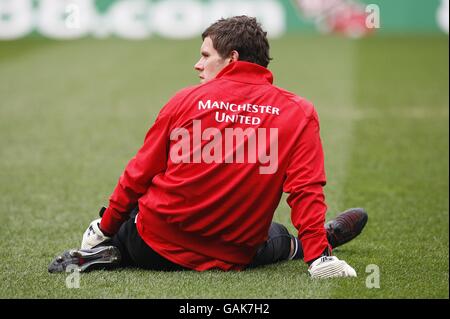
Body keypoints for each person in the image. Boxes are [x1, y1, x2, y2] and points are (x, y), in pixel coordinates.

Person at [49, 16, 367, 278]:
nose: (197, 65)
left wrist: (103, 227)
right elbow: (305, 190)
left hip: (152, 247)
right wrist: (320, 260)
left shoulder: (185, 99)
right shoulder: (297, 111)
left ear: (232, 59)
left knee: (133, 212)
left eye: (205, 55)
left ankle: (108, 251)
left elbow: (138, 173)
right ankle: (318, 245)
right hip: (235, 252)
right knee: (278, 238)